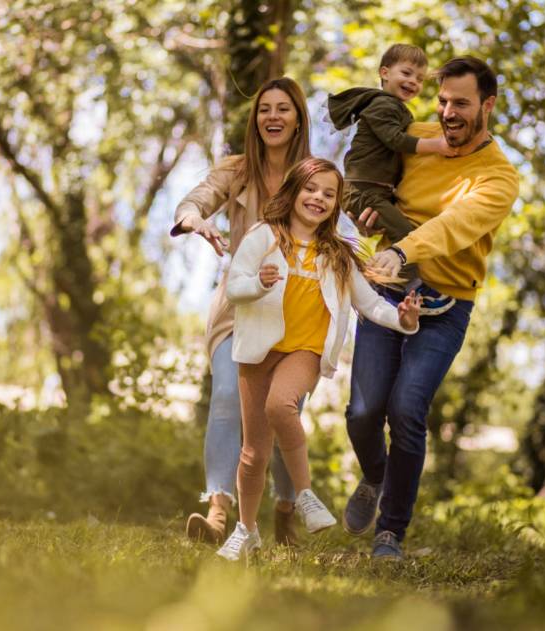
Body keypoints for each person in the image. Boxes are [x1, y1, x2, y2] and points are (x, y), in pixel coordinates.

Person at [341, 56, 521, 560]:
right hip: (387, 289)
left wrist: (402, 250)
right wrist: (367, 210)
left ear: (488, 105)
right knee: (362, 412)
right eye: (442, 101)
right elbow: (366, 175)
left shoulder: (498, 177)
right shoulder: (415, 136)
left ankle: (390, 533)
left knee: (406, 409)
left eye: (460, 103)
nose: (447, 113)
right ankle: (375, 476)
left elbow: (454, 225)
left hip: (446, 304)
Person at [215, 157, 421, 561]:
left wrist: (402, 319)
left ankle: (305, 495)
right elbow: (234, 287)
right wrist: (258, 284)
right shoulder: (264, 237)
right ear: (294, 191)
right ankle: (247, 529)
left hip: (305, 352)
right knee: (253, 453)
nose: (319, 199)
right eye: (311, 189)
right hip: (259, 349)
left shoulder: (339, 255)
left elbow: (370, 303)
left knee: (281, 405)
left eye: (329, 194)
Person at [171, 78, 312, 547]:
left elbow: (344, 227)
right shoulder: (235, 171)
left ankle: (286, 509)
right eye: (264, 110)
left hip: (297, 312)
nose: (272, 117)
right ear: (256, 121)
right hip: (241, 306)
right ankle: (217, 514)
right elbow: (194, 199)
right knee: (229, 397)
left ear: (297, 119)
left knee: (282, 411)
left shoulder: (314, 177)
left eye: (283, 109)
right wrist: (195, 219)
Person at [327, 43, 457, 285]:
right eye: (406, 73)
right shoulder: (383, 104)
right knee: (407, 237)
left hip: (373, 191)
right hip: (363, 192)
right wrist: (437, 145)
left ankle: (384, 278)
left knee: (406, 233)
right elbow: (395, 140)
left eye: (419, 79)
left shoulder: (394, 107)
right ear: (385, 73)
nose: (413, 82)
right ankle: (406, 286)